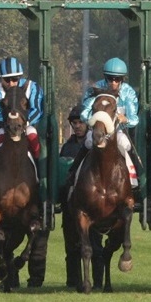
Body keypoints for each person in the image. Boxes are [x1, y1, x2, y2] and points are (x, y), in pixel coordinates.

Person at [71, 58, 142, 192]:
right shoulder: (95, 90)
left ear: (122, 79)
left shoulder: (129, 93)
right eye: (110, 78)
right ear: (105, 77)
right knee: (88, 141)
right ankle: (74, 173)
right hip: (97, 130)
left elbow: (134, 119)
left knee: (124, 143)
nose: (113, 82)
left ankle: (135, 177)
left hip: (118, 132)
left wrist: (125, 119)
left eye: (117, 79)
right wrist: (96, 118)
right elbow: (84, 113)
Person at [59, 105, 103, 289]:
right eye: (74, 123)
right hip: (71, 203)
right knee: (72, 245)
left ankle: (99, 282)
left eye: (80, 122)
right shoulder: (67, 147)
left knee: (95, 243)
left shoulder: (96, 146)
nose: (77, 126)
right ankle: (72, 282)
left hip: (91, 204)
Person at [0, 56, 44, 158]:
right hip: (6, 128)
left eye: (14, 79)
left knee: (31, 133)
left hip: (27, 126)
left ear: (19, 77)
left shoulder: (32, 87)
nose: (11, 83)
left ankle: (38, 165)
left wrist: (25, 123)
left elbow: (37, 110)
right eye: (7, 80)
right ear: (1, 78)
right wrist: (8, 124)